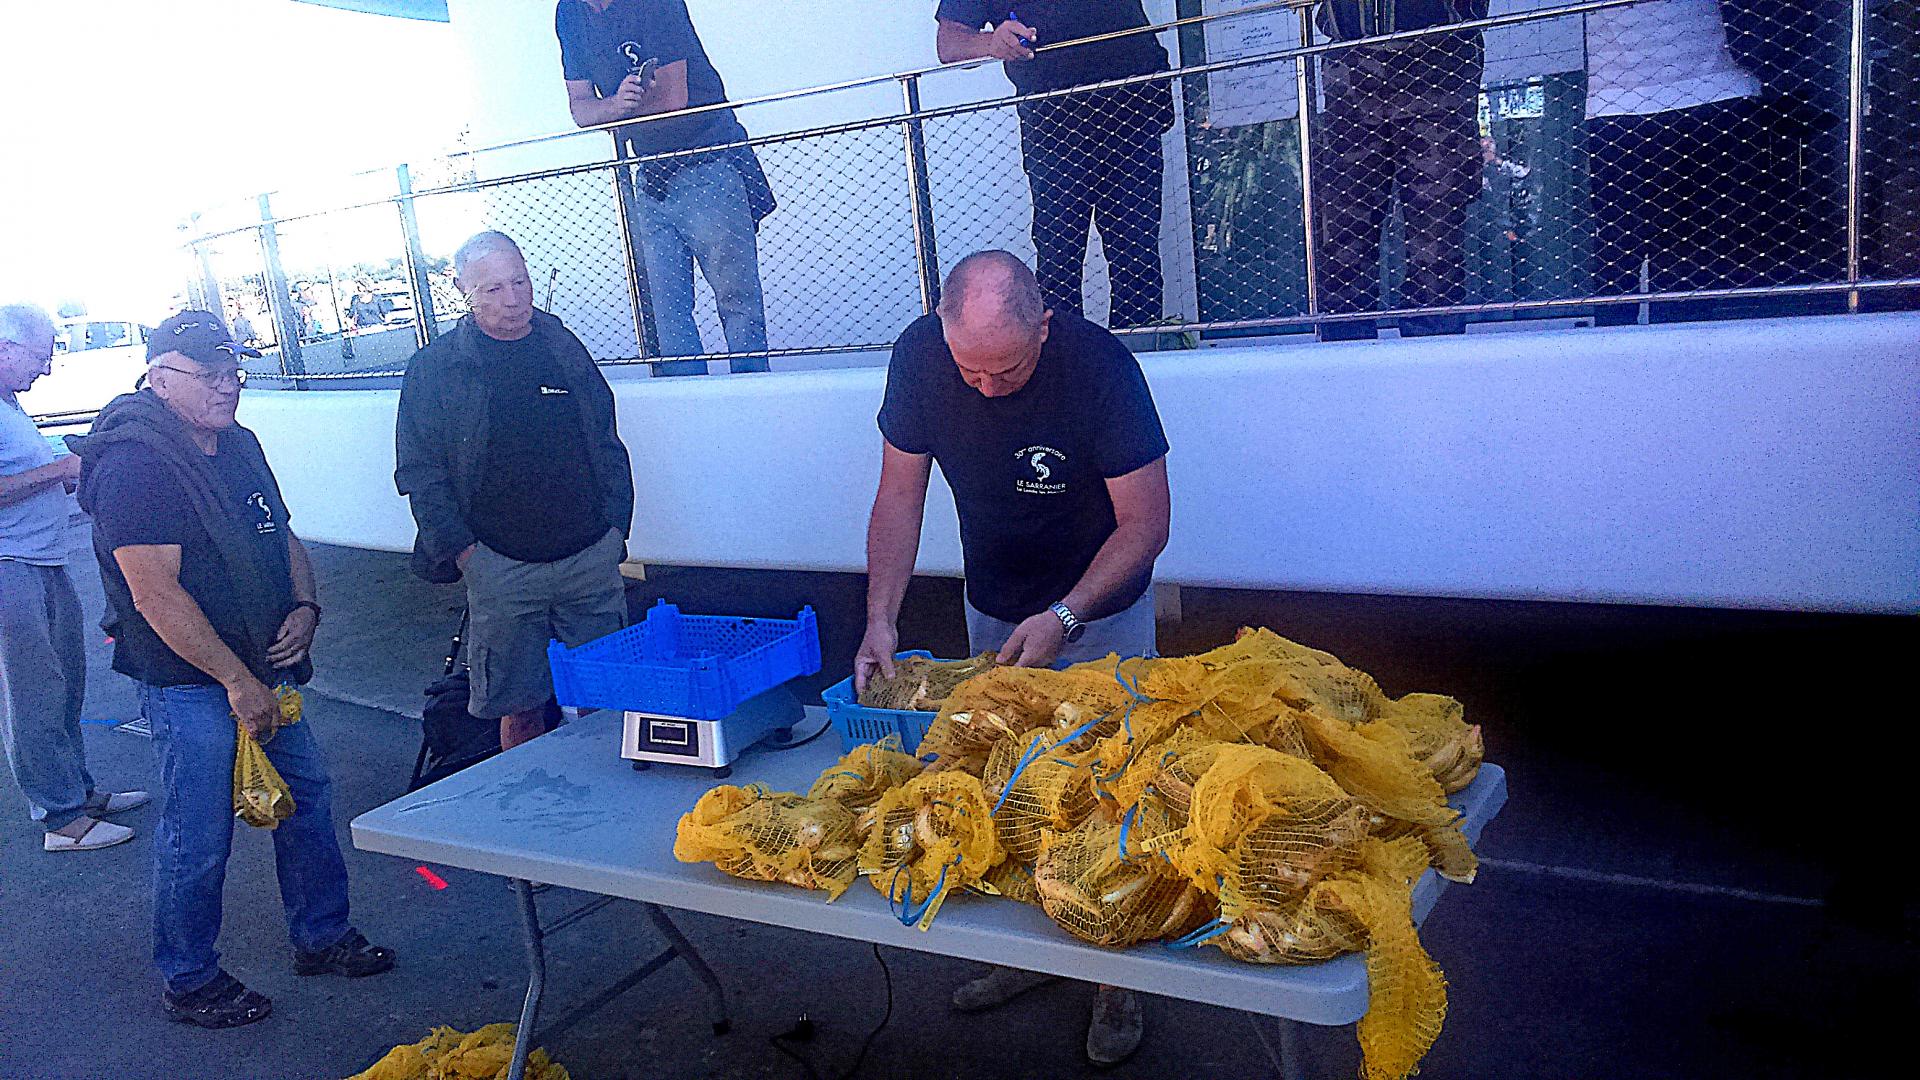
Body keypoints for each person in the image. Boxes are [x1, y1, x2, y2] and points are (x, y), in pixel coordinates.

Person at [854, 250, 1170, 1065]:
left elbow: (1146, 524)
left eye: (1008, 371)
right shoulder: (920, 358)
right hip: (992, 610)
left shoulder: (1100, 368)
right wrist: (879, 618)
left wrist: (1066, 615)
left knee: (1109, 797)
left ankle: (1115, 978)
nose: (988, 390)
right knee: (1012, 789)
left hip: (1097, 613)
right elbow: (899, 494)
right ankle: (1029, 955)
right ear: (942, 334)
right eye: (972, 372)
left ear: (1045, 326)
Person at [69, 310, 393, 1028]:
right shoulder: (134, 464)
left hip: (265, 664)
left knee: (306, 797)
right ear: (159, 376)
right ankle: (188, 978)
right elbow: (154, 593)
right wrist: (236, 682)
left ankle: (322, 935)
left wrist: (305, 604)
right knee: (199, 827)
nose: (227, 386)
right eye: (208, 373)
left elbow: (280, 530)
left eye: (232, 371)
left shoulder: (237, 443)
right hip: (192, 682)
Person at [395, 231, 634, 750]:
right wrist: (464, 553)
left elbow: (606, 439)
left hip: (588, 559)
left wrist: (616, 530)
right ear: (464, 291)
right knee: (519, 710)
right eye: (494, 289)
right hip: (499, 566)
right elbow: (420, 471)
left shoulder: (562, 347)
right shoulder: (436, 368)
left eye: (520, 282)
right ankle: (529, 811)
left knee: (613, 699)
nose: (513, 299)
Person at [1, 302, 149, 852]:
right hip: (10, 566)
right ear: (5, 347)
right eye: (38, 357)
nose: (44, 370)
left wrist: (63, 478)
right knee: (33, 693)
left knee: (64, 682)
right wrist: (61, 470)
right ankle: (60, 817)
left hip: (41, 558)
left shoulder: (9, 404)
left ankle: (77, 792)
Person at [556, 0, 773, 373]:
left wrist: (614, 108)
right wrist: (621, 103)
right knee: (667, 314)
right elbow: (579, 109)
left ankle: (755, 404)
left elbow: (674, 99)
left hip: (707, 158)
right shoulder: (570, 12)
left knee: (736, 301)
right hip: (651, 175)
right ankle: (690, 413)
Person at [934, 2, 1173, 330]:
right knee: (1060, 255)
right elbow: (948, 43)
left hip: (1133, 107)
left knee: (1136, 256)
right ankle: (1065, 369)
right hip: (1055, 121)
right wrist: (991, 43)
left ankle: (1135, 368)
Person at [1311, 1, 1488, 340]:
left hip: (1438, 57)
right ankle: (1343, 367)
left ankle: (1434, 370)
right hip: (1351, 61)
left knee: (1436, 230)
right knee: (1343, 226)